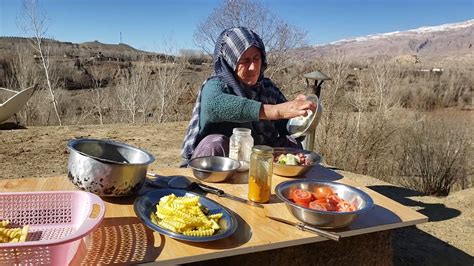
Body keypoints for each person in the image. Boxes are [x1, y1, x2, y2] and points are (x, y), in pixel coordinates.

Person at [180, 27, 315, 166]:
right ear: (230, 62)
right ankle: (202, 187)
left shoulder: (267, 88)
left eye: (256, 58)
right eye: (245, 60)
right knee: (214, 143)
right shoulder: (216, 85)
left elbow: (287, 126)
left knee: (290, 145)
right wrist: (276, 111)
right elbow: (214, 105)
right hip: (222, 166)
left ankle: (285, 186)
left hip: (260, 163)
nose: (253, 67)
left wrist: (302, 116)